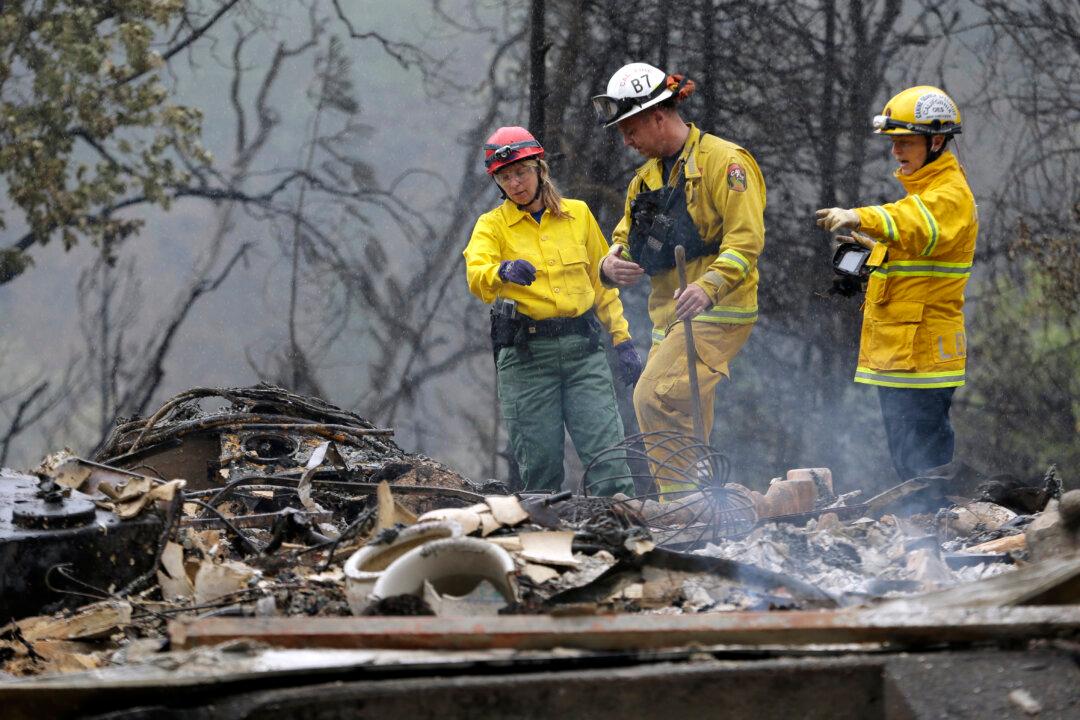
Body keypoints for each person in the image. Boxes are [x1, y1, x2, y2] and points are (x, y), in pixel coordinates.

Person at [592, 63, 766, 495]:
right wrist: (609, 264)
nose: (626, 140)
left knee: (652, 397)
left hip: (718, 311)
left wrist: (708, 288)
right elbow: (624, 238)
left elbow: (746, 240)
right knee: (686, 418)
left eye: (630, 128)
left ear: (658, 116)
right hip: (667, 318)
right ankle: (704, 510)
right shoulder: (645, 180)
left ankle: (678, 506)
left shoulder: (726, 163)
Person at [463, 126, 643, 495]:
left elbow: (601, 282)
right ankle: (549, 545)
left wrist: (622, 340)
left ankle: (621, 539)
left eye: (521, 172)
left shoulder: (578, 215)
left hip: (583, 353)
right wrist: (501, 270)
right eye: (505, 177)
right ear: (497, 182)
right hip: (527, 357)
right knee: (541, 470)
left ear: (539, 169)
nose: (515, 183)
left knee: (609, 463)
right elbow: (475, 274)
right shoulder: (492, 227)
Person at [815, 85, 976, 480]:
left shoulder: (949, 195)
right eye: (893, 143)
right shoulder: (927, 195)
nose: (896, 152)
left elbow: (913, 223)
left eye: (905, 142)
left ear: (936, 141)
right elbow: (915, 243)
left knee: (925, 466)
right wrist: (873, 248)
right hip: (903, 354)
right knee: (908, 464)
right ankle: (923, 531)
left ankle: (935, 533)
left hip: (924, 354)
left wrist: (859, 216)